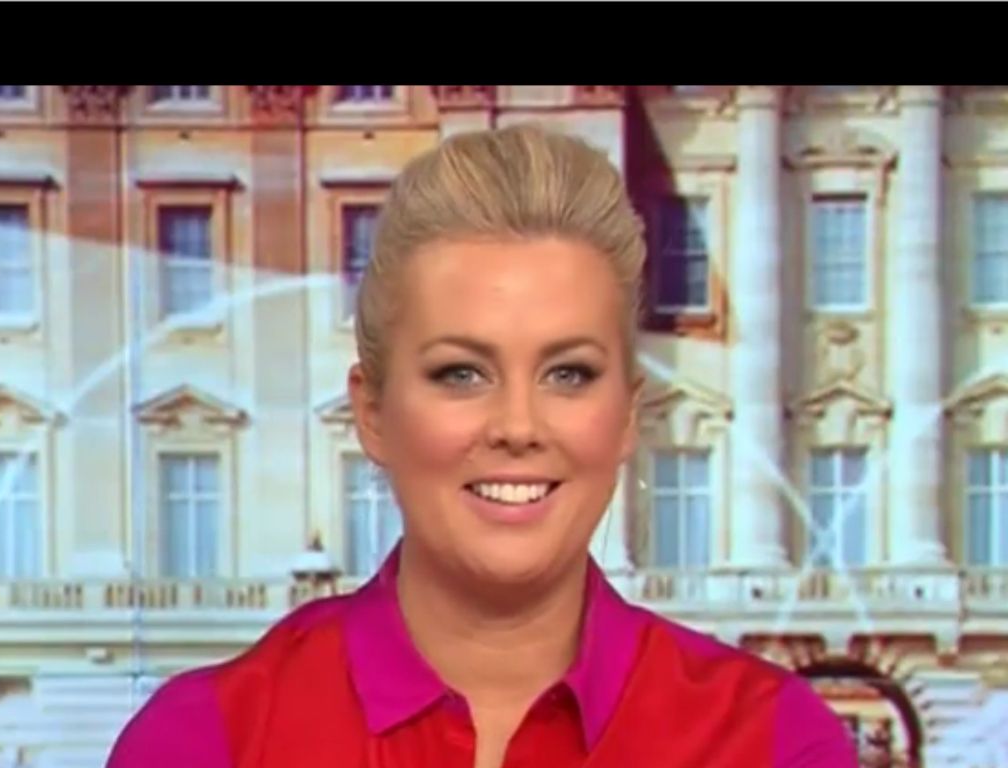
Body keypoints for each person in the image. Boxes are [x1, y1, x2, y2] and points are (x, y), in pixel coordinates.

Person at [107, 123, 857, 768]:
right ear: (373, 412)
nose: (517, 426)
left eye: (569, 373)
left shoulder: (771, 741)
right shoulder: (206, 741)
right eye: (461, 373)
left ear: (628, 416)